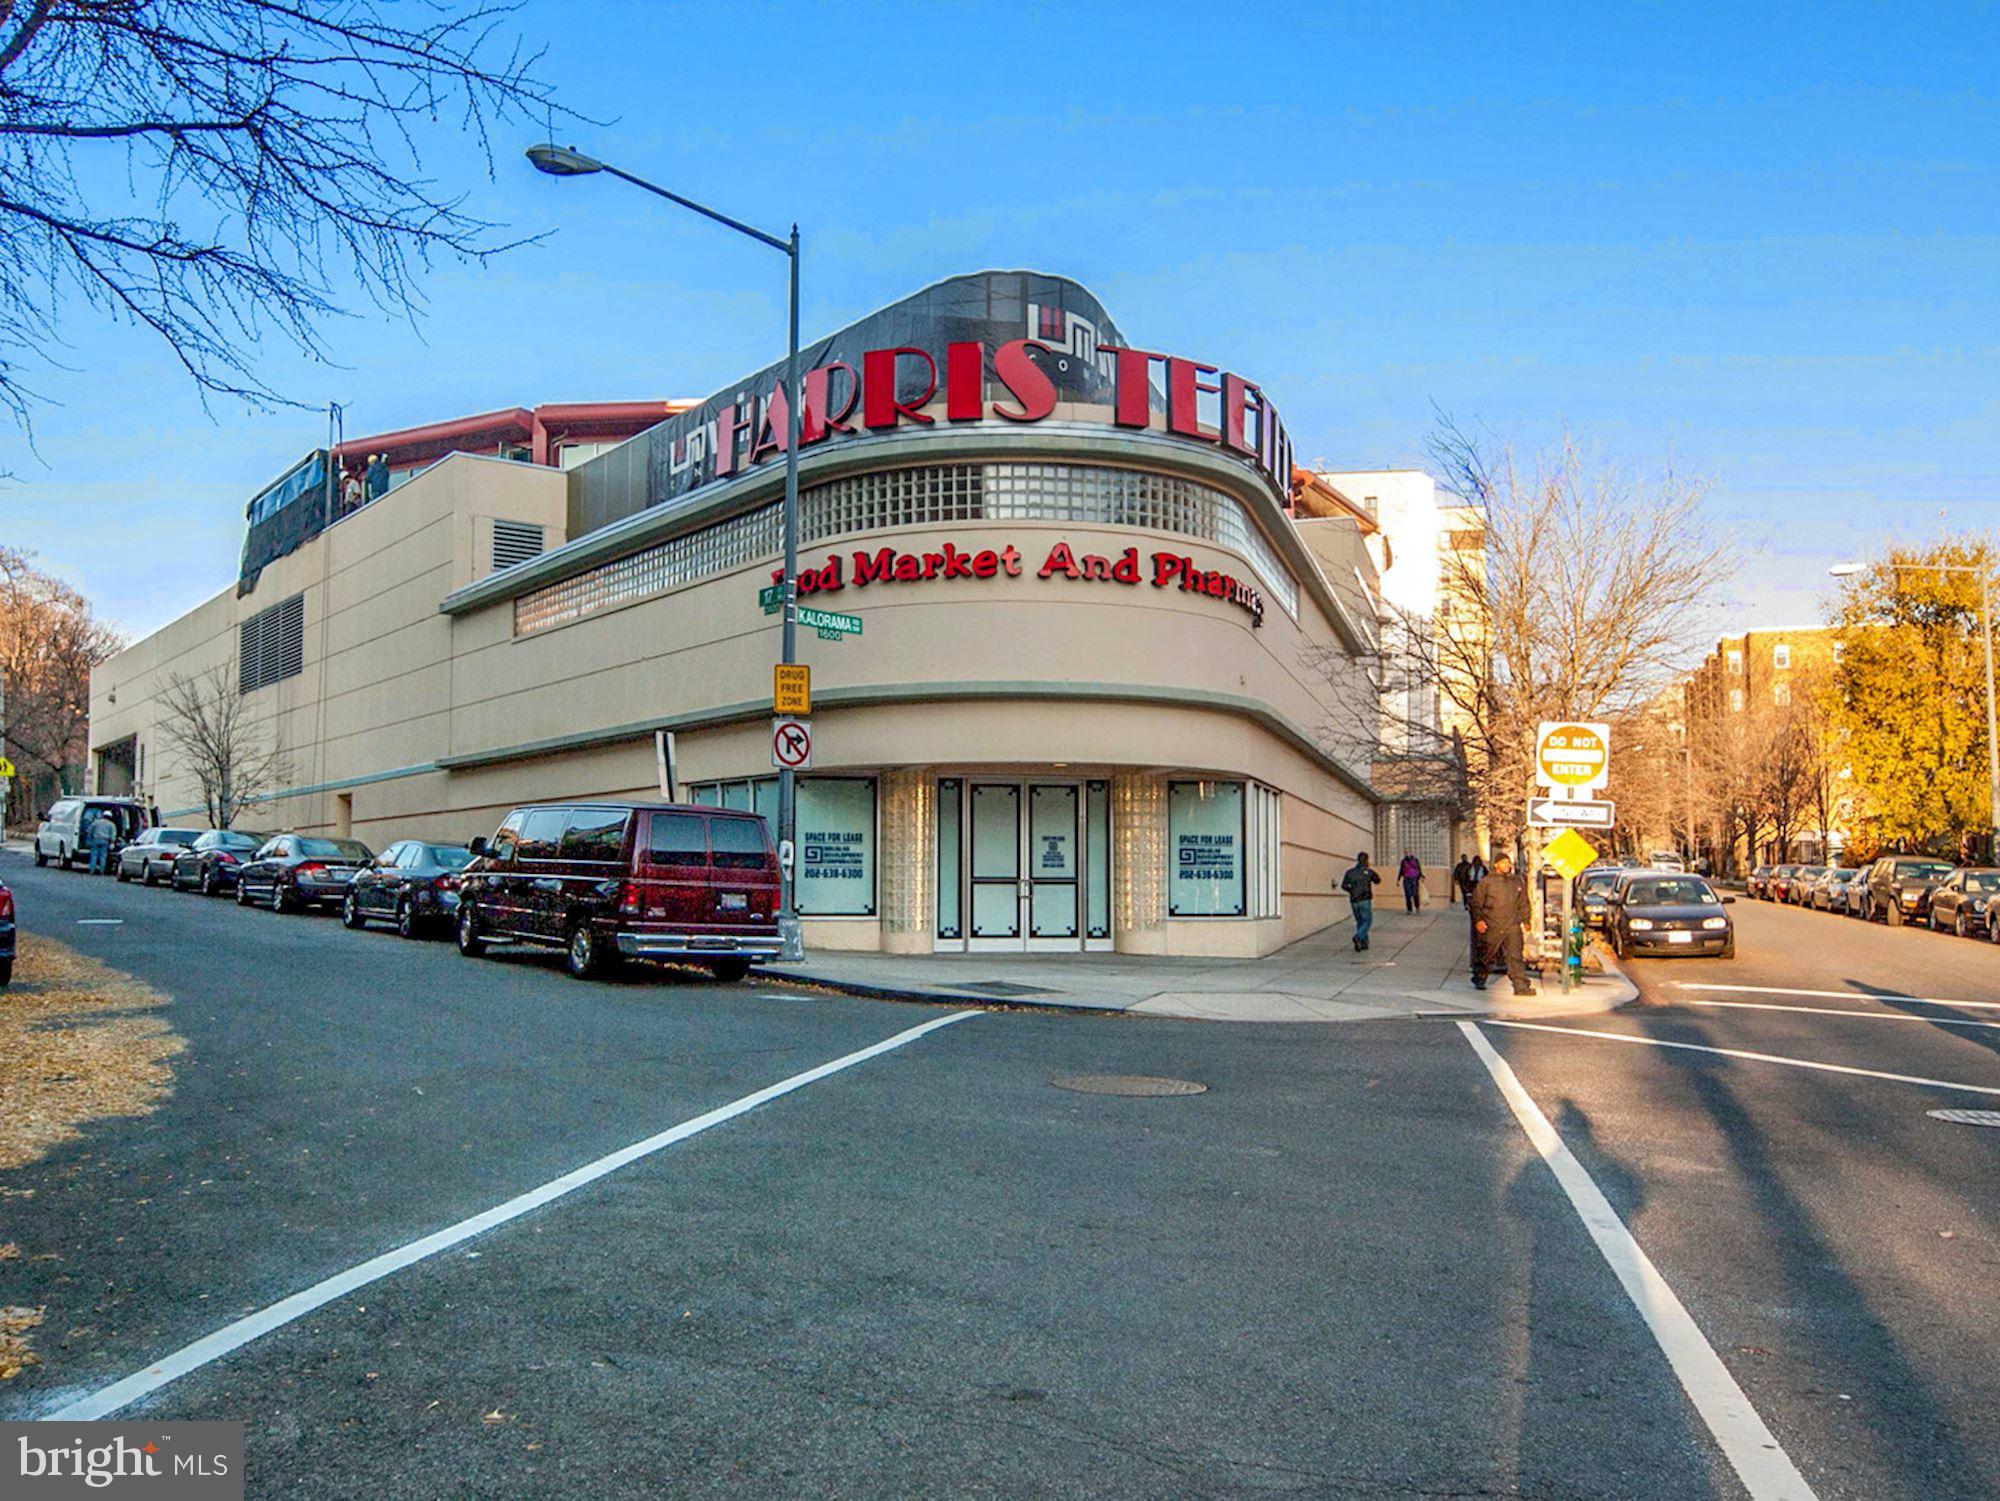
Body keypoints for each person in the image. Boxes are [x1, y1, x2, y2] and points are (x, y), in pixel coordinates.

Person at [1469, 853, 1535, 996]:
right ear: (1496, 865)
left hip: (1512, 924)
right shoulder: (1486, 882)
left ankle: (1521, 986)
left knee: (1515, 956)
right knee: (1487, 954)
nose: (1507, 865)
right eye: (1503, 862)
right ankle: (1480, 977)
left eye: (1508, 862)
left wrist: (1526, 920)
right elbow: (1476, 904)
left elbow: (1523, 903)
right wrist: (1479, 920)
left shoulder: (1516, 882)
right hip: (1492, 923)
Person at [1338, 851, 1382, 951]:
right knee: (1367, 921)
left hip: (1354, 900)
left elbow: (1344, 886)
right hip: (1364, 899)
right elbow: (1378, 880)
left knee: (1359, 921)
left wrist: (1352, 891)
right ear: (1367, 860)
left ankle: (1363, 943)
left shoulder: (1350, 872)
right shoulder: (1368, 872)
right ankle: (1358, 937)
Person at [86, 808, 117, 875]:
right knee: (103, 856)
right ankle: (101, 870)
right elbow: (113, 835)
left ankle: (92, 870)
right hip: (105, 841)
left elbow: (89, 830)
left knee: (93, 855)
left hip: (95, 840)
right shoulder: (111, 825)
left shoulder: (96, 822)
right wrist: (112, 842)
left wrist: (89, 839)